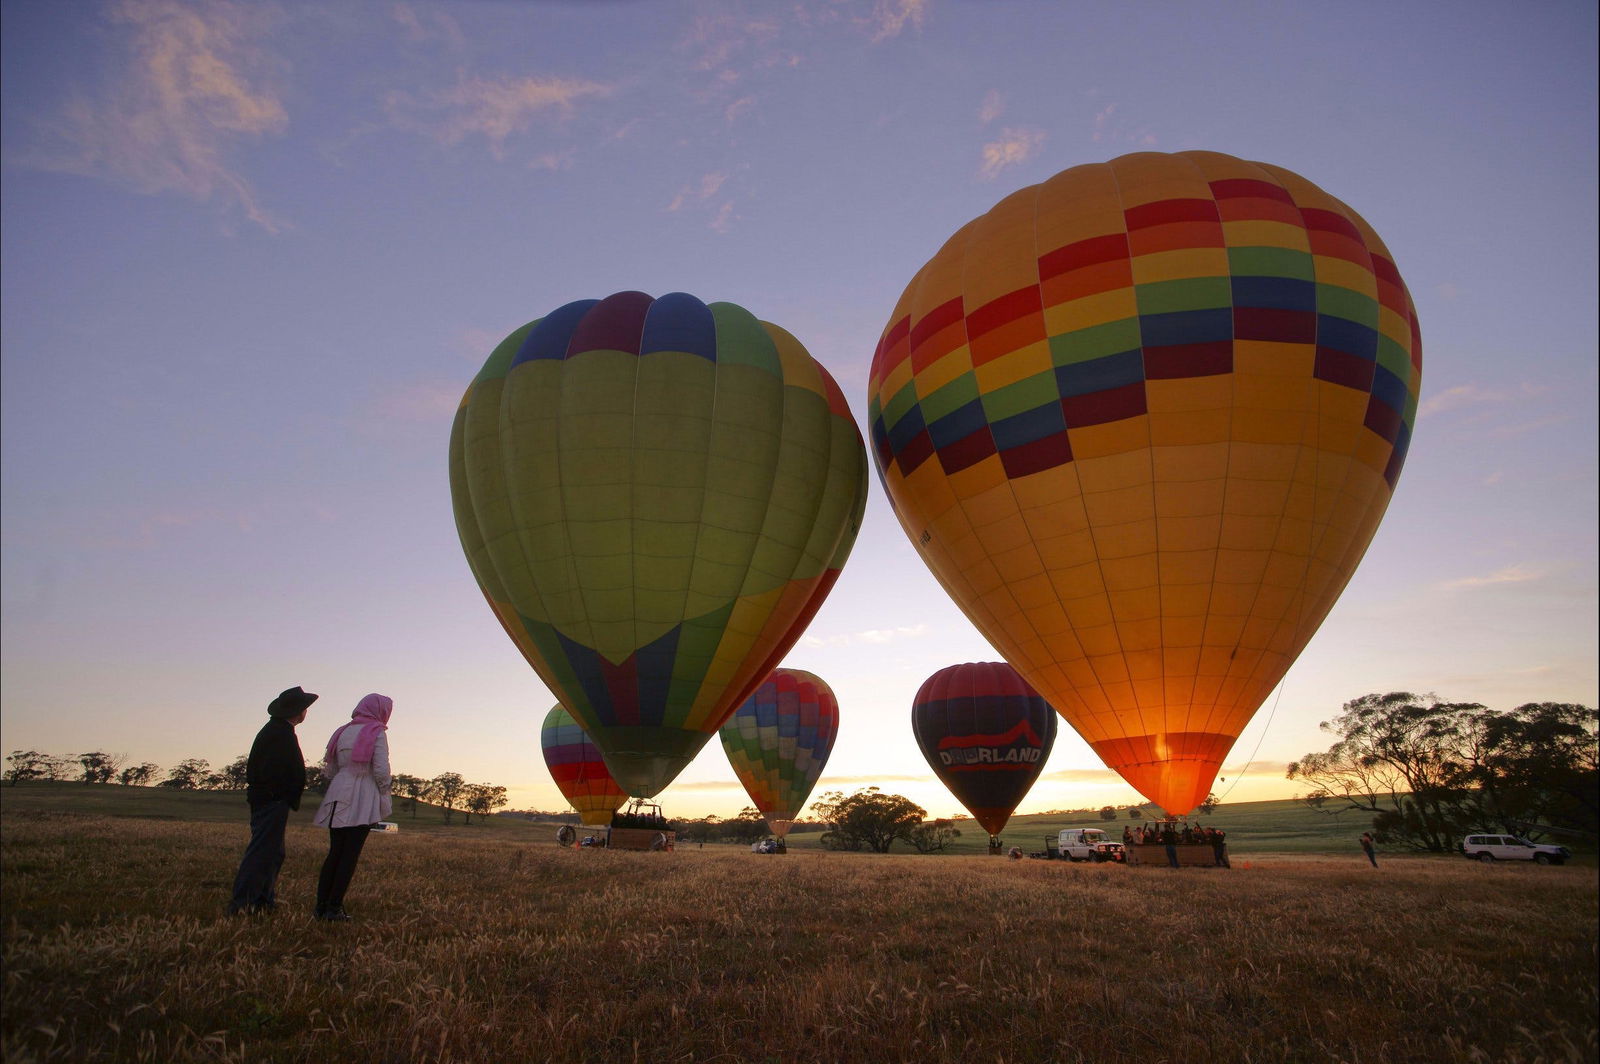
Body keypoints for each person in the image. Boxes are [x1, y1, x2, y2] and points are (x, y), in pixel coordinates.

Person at [228, 685, 317, 915]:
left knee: (273, 852)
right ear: (298, 711)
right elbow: (275, 770)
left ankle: (262, 900)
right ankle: (243, 903)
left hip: (272, 799)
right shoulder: (279, 733)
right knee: (262, 851)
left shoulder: (277, 730)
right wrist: (281, 793)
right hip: (271, 800)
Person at [313, 693, 393, 921]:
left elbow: (330, 769)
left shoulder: (343, 731)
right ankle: (334, 907)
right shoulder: (377, 732)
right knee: (350, 854)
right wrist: (385, 791)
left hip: (338, 790)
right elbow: (380, 768)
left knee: (335, 852)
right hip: (362, 793)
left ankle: (321, 906)